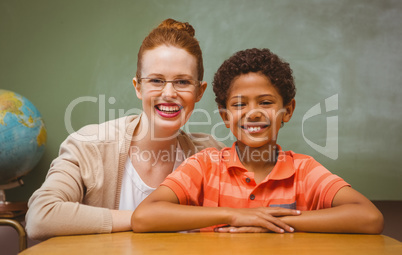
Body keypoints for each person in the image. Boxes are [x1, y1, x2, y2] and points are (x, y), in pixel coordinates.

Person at [131, 48, 384, 234]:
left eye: (265, 102)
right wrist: (235, 216)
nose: (253, 113)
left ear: (288, 110)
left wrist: (269, 223)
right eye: (240, 104)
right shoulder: (205, 166)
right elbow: (144, 217)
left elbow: (369, 218)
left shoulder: (304, 171)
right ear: (225, 116)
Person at [25, 18, 224, 240]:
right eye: (156, 81)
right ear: (138, 87)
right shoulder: (89, 146)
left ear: (199, 91)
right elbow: (40, 217)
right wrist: (144, 218)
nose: (169, 93)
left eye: (183, 82)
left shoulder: (212, 155)